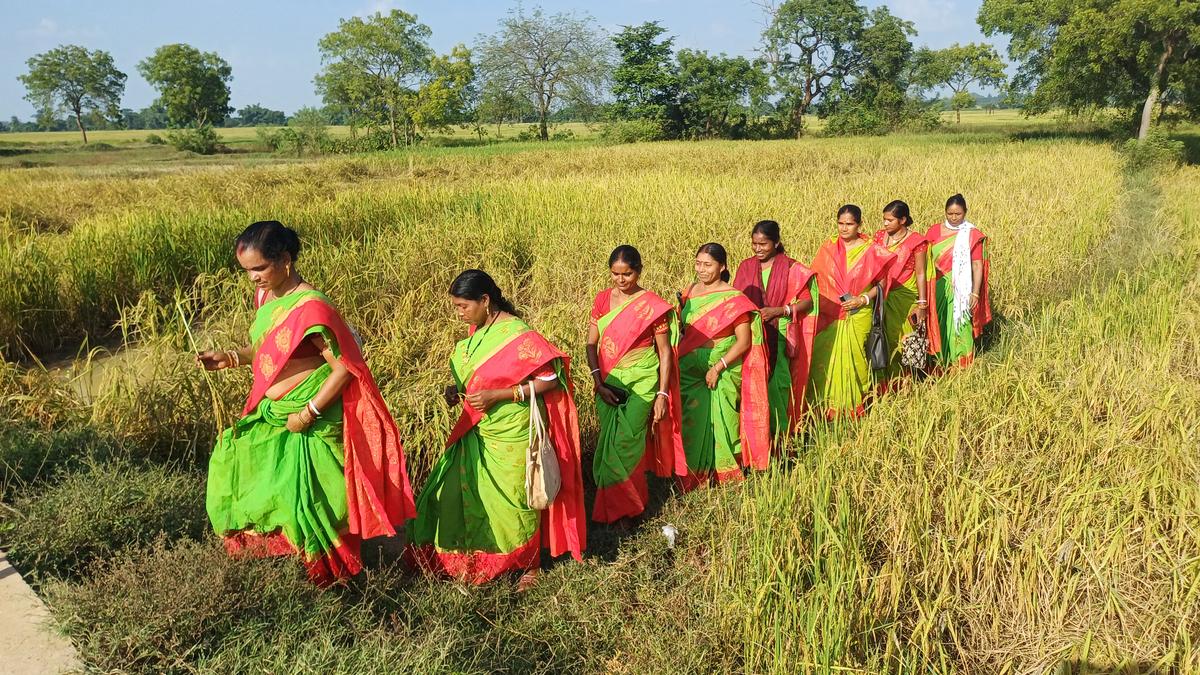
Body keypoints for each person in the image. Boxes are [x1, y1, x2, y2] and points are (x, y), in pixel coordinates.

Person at [200, 220, 416, 586]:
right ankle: (304, 570)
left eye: (259, 269)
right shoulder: (267, 298)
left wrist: (309, 412)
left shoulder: (314, 310)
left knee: (319, 502)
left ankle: (344, 582)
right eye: (247, 271)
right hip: (276, 415)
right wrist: (233, 357)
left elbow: (346, 367)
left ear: (284, 260)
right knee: (242, 470)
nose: (253, 278)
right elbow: (270, 348)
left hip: (313, 417)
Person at [407, 270, 585, 589]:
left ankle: (530, 565)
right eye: (456, 306)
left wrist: (501, 395)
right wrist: (455, 390)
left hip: (513, 430)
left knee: (518, 498)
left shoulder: (518, 335)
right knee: (477, 497)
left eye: (463, 306)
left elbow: (550, 380)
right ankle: (479, 555)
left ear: (485, 301)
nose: (459, 313)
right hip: (478, 428)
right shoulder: (476, 334)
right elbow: (476, 379)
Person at [586, 246, 685, 527]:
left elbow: (664, 352)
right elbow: (591, 344)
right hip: (608, 380)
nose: (620, 279)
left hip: (643, 380)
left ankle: (628, 509)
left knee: (626, 442)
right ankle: (612, 505)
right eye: (615, 274)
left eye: (627, 274)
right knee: (609, 439)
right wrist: (597, 380)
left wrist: (663, 394)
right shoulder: (602, 301)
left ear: (639, 271)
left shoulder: (651, 306)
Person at [676, 243, 770, 490]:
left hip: (724, 365)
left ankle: (726, 473)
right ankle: (695, 475)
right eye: (698, 264)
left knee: (725, 418)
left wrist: (718, 366)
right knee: (692, 419)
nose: (702, 270)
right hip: (689, 367)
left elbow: (744, 341)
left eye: (708, 265)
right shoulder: (688, 293)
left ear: (722, 267)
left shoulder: (734, 300)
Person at [807, 205, 897, 418]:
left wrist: (862, 299)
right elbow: (816, 280)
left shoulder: (871, 250)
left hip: (859, 312)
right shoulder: (828, 247)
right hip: (831, 313)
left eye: (849, 224)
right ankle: (822, 407)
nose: (844, 228)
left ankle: (850, 406)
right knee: (825, 355)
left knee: (855, 358)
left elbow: (883, 285)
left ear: (859, 225)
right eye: (841, 223)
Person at [732, 221, 816, 438]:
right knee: (751, 387)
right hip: (750, 336)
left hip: (778, 336)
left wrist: (781, 310)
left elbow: (808, 302)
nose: (758, 249)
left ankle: (779, 438)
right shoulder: (746, 267)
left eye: (763, 244)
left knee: (777, 387)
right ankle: (755, 439)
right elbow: (734, 300)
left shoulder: (791, 268)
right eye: (754, 244)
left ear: (776, 243)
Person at [924, 194, 992, 367]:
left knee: (960, 325)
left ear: (965, 212)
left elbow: (977, 266)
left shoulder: (971, 234)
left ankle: (962, 364)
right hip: (937, 287)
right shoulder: (933, 231)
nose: (954, 218)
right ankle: (941, 364)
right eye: (950, 214)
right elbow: (925, 260)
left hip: (960, 289)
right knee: (939, 323)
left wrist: (975, 294)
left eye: (958, 214)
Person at [872, 201, 929, 387]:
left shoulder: (917, 242)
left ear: (903, 220)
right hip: (881, 294)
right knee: (881, 336)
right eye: (884, 220)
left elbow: (920, 273)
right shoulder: (879, 237)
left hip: (903, 295)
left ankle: (904, 382)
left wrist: (922, 305)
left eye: (890, 220)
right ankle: (883, 381)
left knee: (901, 338)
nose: (885, 224)